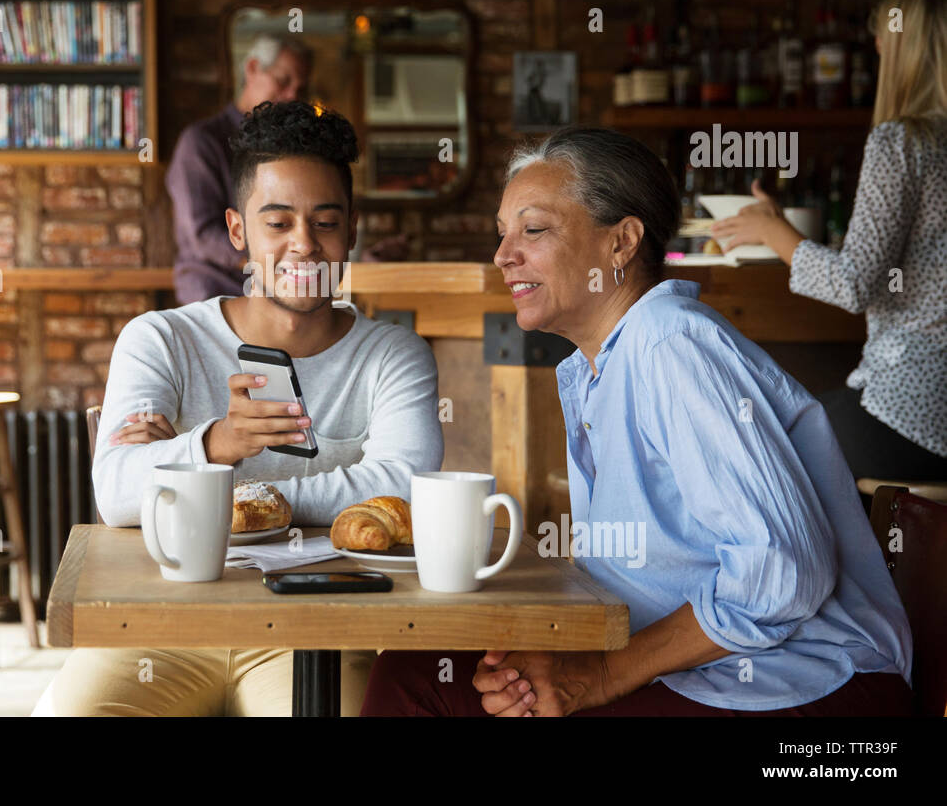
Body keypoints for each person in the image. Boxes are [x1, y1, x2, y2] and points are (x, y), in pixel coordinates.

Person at [360, 126, 913, 717]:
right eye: (503, 234)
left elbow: (784, 568)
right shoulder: (598, 365)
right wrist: (539, 660)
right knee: (415, 674)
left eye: (534, 230)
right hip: (696, 664)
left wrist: (598, 675)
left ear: (621, 242)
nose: (503, 255)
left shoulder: (670, 343)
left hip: (804, 678)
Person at [33, 100, 443, 716]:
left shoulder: (394, 355)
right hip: (161, 627)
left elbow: (403, 488)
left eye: (325, 222)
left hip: (318, 631)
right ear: (236, 231)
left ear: (352, 229)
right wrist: (216, 444)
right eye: (277, 223)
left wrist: (211, 489)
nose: (303, 245)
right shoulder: (160, 339)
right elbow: (117, 492)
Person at [712, 0, 947, 483]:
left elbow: (852, 283)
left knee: (753, 445)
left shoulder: (903, 143)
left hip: (912, 414)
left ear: (907, 53)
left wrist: (774, 232)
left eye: (884, 44)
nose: (878, 55)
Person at [166, 35, 312, 304]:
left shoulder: (290, 149)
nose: (292, 95)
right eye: (283, 81)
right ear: (253, 68)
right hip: (215, 291)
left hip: (274, 290)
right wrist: (276, 260)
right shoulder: (200, 142)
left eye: (299, 89)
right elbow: (204, 236)